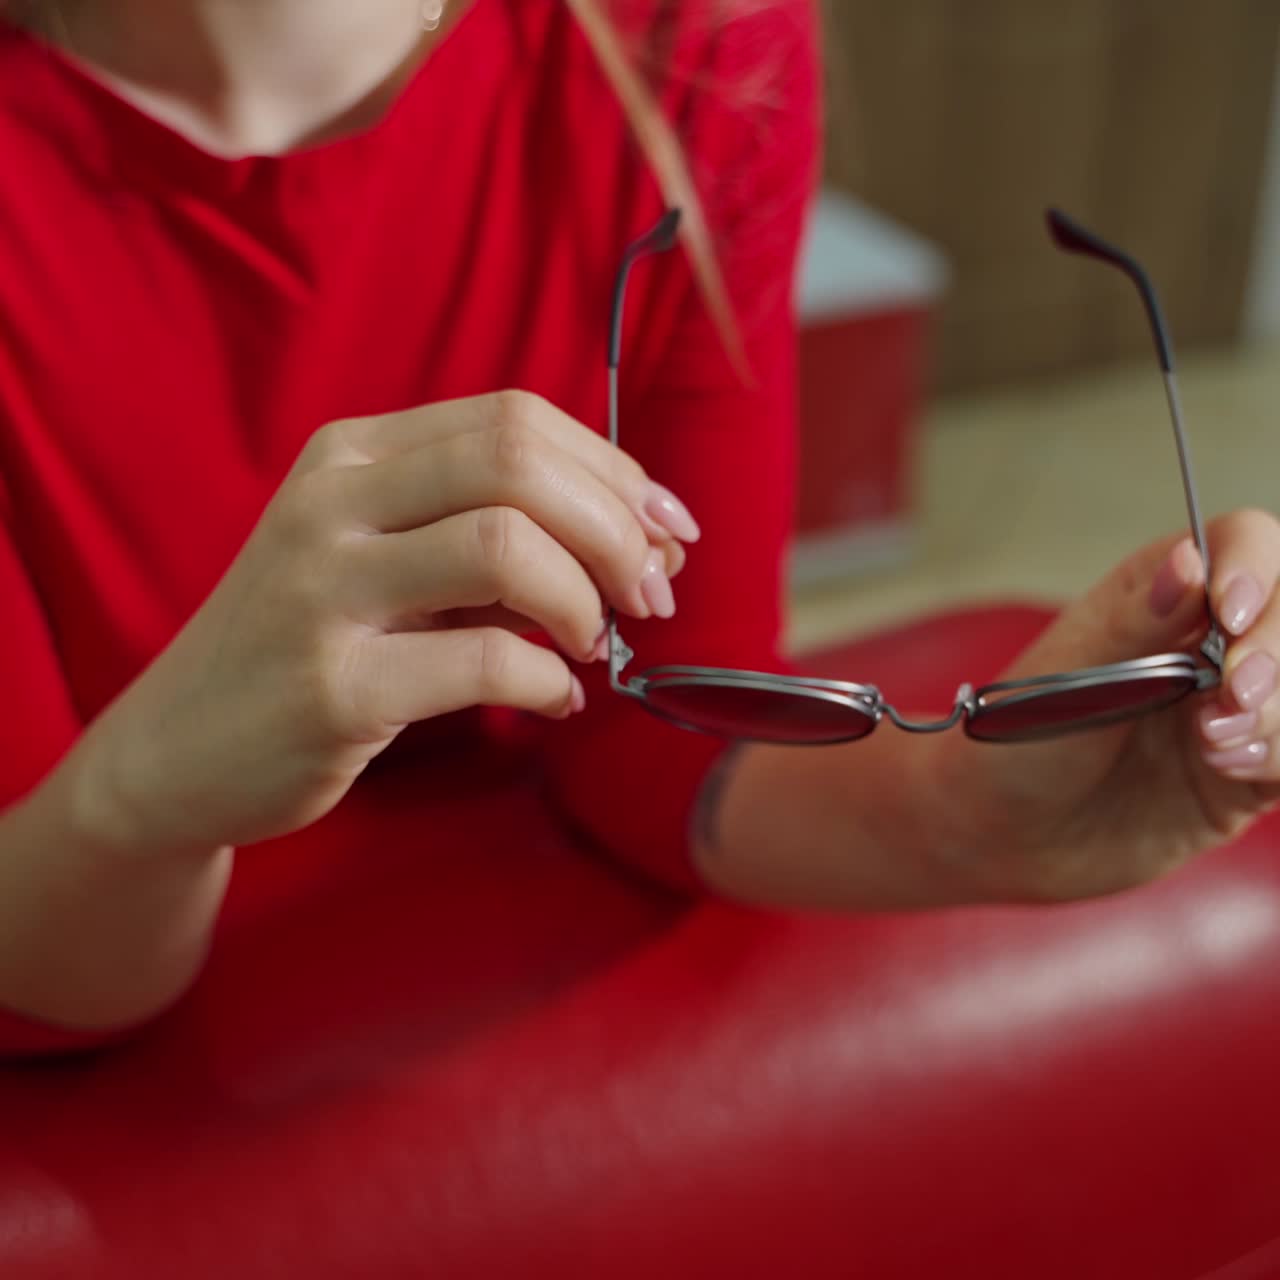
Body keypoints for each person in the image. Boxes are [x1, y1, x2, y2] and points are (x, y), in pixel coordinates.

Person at [0, 0, 1277, 1059]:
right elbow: (38, 952)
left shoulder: (688, 36)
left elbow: (651, 739)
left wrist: (973, 816)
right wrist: (145, 805)